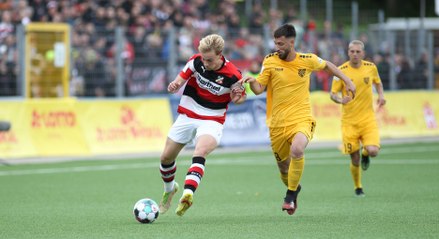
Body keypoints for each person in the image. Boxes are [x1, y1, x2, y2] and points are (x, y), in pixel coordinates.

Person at [243, 24, 356, 215]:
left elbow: (327, 65)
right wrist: (253, 81)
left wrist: (348, 80)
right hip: (277, 124)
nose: (277, 47)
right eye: (275, 43)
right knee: (283, 169)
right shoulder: (270, 61)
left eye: (280, 43)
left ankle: (289, 195)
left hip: (302, 118)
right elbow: (259, 89)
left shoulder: (307, 60)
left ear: (291, 42)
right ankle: (295, 188)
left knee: (297, 149)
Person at [158, 34, 246, 217]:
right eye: (203, 58)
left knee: (200, 152)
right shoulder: (196, 61)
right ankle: (169, 189)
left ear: (220, 54)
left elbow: (240, 97)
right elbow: (180, 78)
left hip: (212, 119)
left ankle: (187, 194)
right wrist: (175, 85)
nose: (205, 63)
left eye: (209, 60)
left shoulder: (233, 75)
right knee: (166, 158)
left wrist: (238, 98)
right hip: (188, 114)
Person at [330, 40, 386, 197]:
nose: (354, 54)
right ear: (348, 52)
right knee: (354, 158)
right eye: (352, 51)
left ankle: (366, 154)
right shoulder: (340, 71)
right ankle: (358, 187)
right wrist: (341, 100)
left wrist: (381, 96)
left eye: (358, 51)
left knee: (373, 150)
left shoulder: (371, 67)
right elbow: (332, 94)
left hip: (368, 120)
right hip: (349, 123)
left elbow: (378, 83)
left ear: (363, 53)